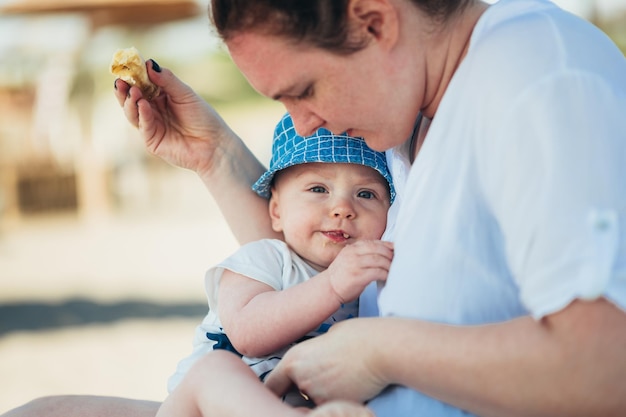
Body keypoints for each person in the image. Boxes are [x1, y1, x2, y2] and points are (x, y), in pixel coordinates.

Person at [3, 0, 625, 416]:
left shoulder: (539, 81)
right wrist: (216, 155)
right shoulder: (414, 108)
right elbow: (306, 258)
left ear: (375, 22)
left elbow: (606, 367)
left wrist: (376, 349)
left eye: (302, 90)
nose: (301, 123)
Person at [160, 111, 395, 415]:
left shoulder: (367, 291)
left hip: (283, 404)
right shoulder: (266, 257)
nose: (342, 208)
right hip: (201, 408)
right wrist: (332, 285)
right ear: (276, 211)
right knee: (214, 369)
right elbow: (247, 333)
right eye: (318, 189)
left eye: (366, 193)